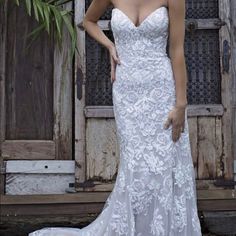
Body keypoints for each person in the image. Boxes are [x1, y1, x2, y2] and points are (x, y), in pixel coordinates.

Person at [29, 0, 202, 235]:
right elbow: (88, 22)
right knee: (135, 163)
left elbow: (177, 50)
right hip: (126, 90)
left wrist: (181, 104)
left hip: (161, 90)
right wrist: (110, 46)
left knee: (163, 163)